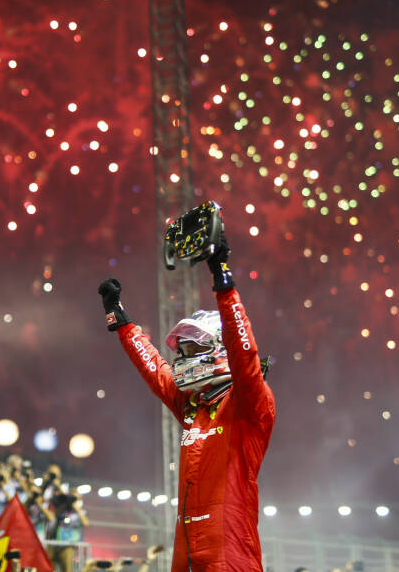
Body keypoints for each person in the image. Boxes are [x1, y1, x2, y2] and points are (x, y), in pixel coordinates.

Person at [98, 233, 275, 572]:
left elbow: (244, 352)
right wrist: (122, 324)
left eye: (194, 348)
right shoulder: (196, 409)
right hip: (188, 553)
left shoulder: (249, 404)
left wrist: (222, 279)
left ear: (221, 347)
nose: (184, 356)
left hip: (230, 553)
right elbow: (157, 372)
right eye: (184, 350)